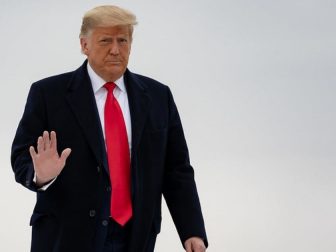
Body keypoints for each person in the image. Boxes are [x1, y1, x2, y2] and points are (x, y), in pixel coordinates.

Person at [11, 5, 208, 252]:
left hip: (134, 236)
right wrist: (41, 176)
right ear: (84, 45)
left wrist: (192, 231)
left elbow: (177, 169)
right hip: (66, 237)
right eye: (105, 41)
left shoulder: (158, 97)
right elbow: (21, 158)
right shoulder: (48, 94)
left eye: (122, 40)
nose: (115, 50)